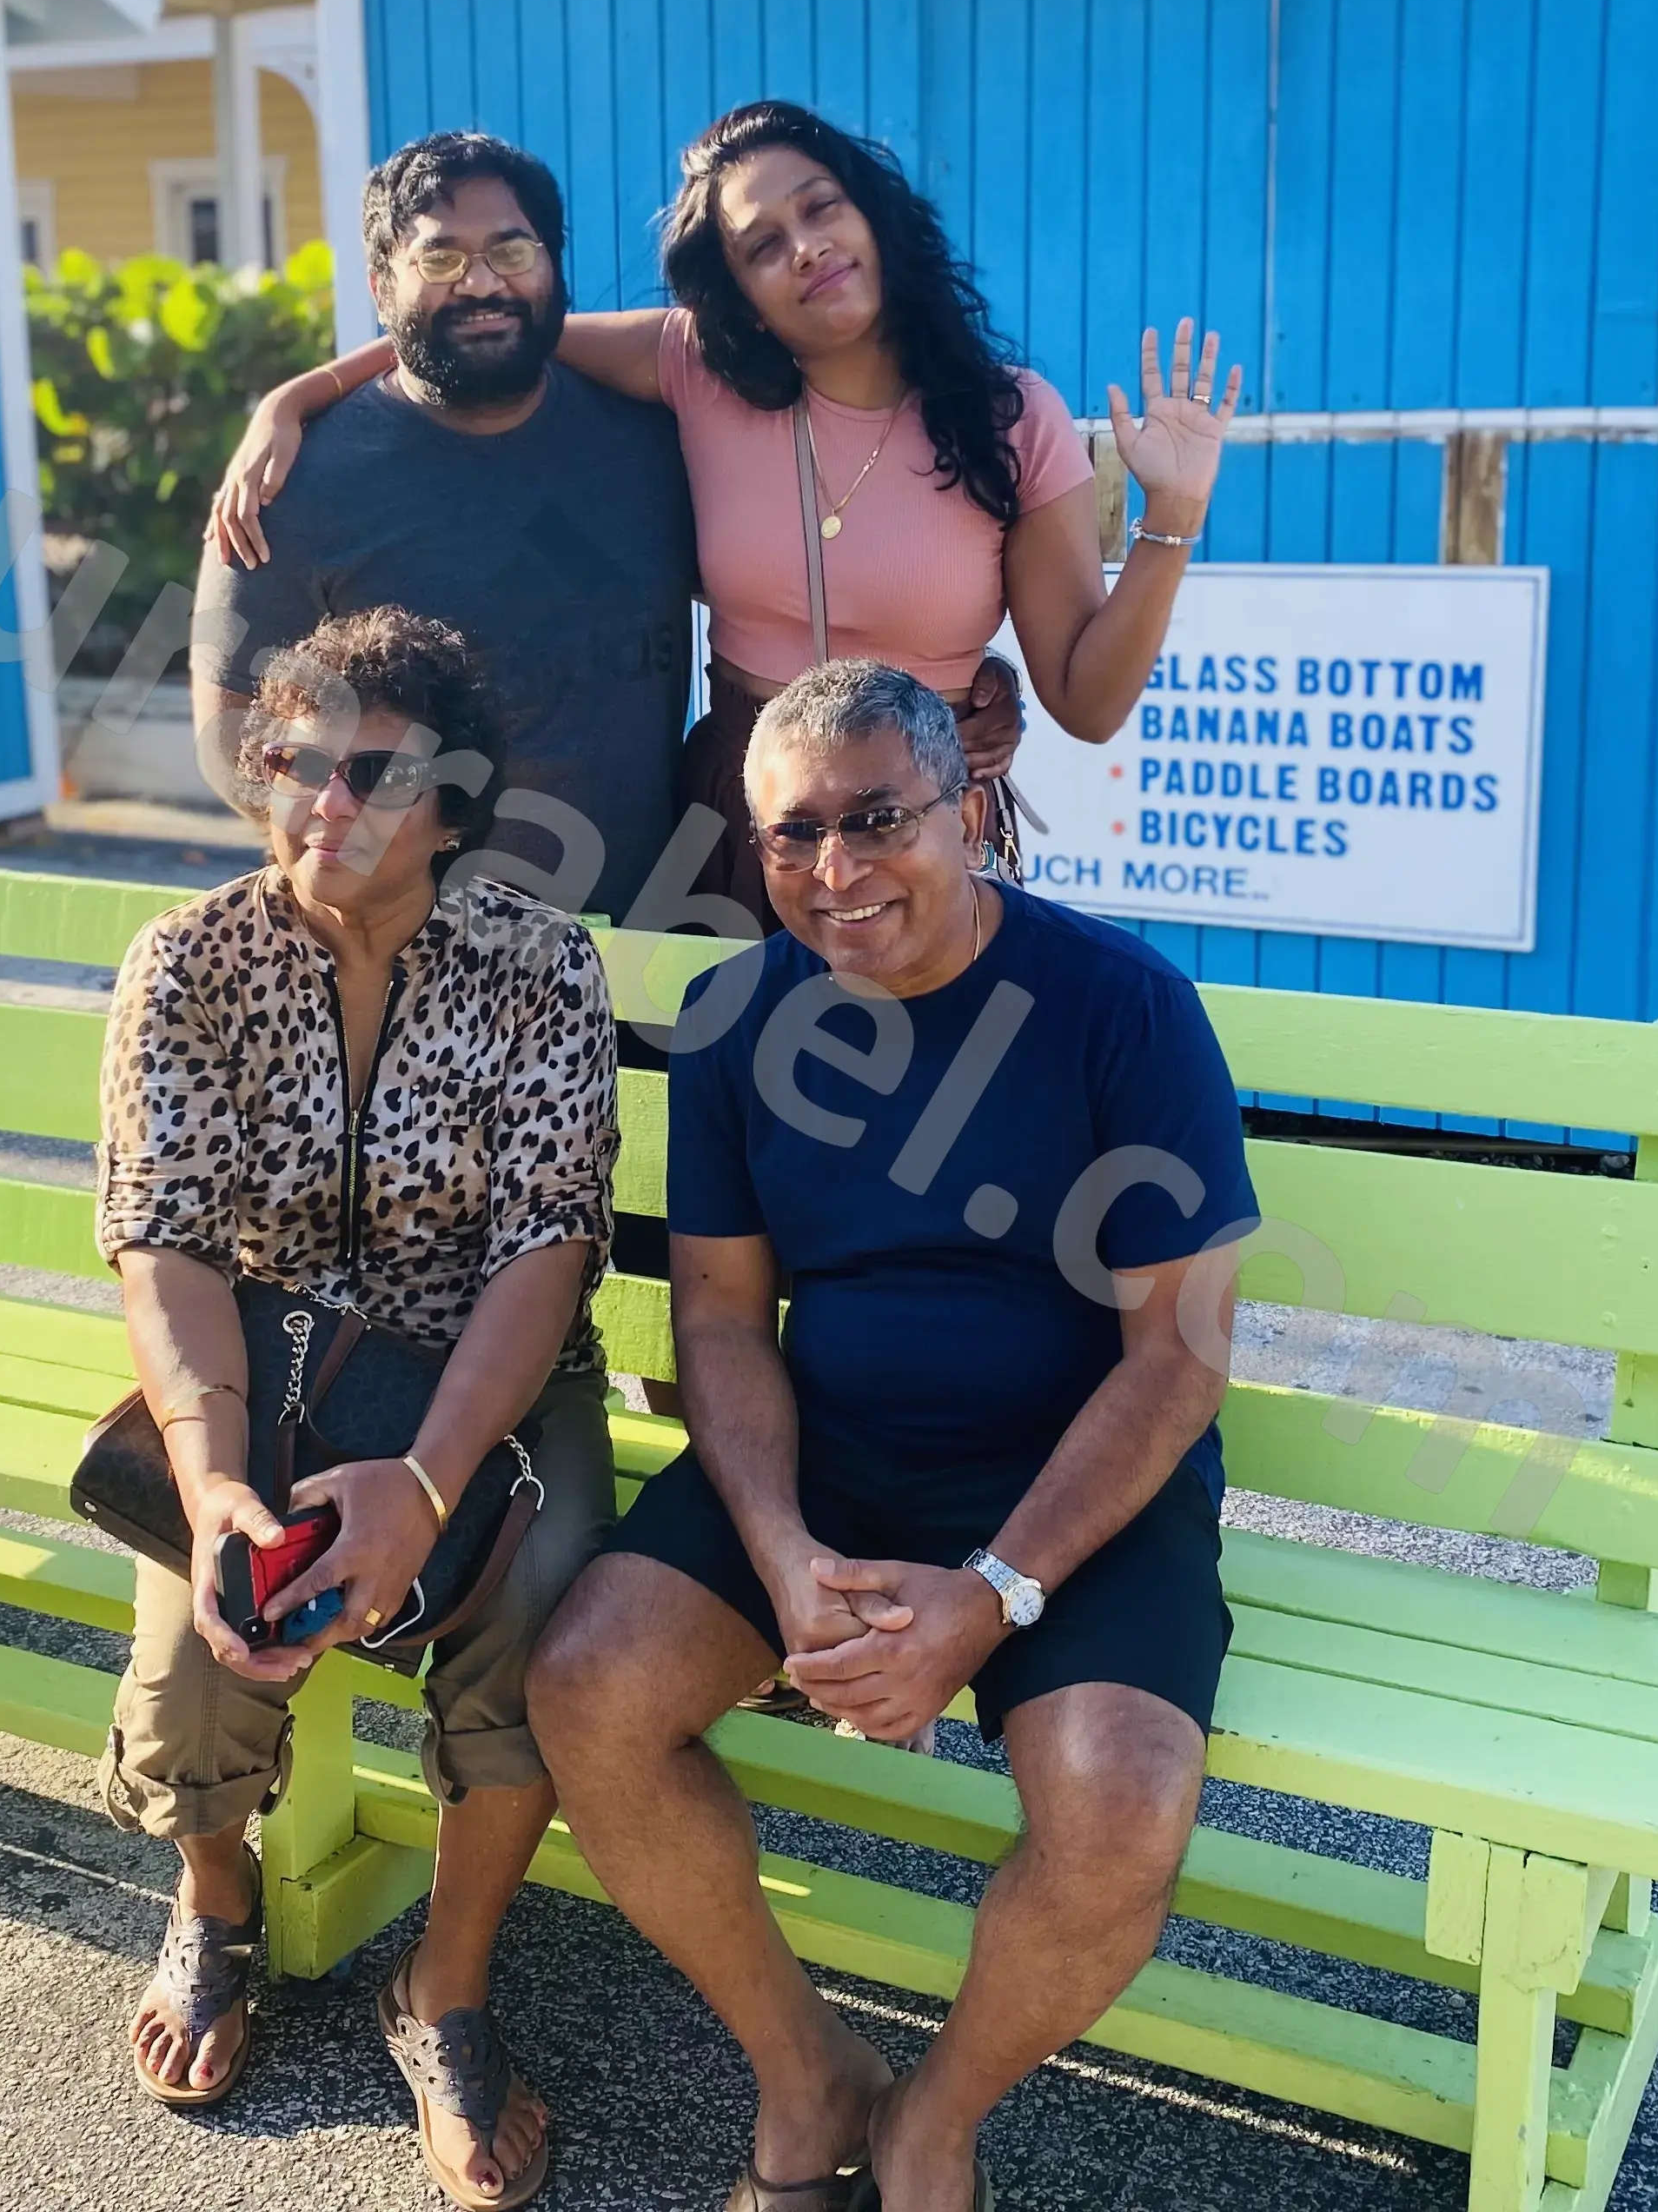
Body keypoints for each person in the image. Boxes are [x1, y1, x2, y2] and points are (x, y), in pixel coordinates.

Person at [521, 660, 1260, 2212]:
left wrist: (990, 1592)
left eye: (877, 820)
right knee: (590, 1683)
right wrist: (785, 1554)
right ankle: (808, 2076)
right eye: (792, 836)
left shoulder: (1121, 1010)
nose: (835, 871)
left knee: (1119, 1797)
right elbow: (720, 1321)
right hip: (834, 1458)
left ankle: (933, 2117)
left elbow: (1176, 1358)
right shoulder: (735, 1019)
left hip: (1079, 1484)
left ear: (969, 807)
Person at [210, 99, 1239, 920]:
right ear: (734, 290)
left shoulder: (1015, 418)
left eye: (822, 206)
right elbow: (493, 322)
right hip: (734, 820)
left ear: (873, 214)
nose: (805, 248)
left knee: (918, 1113)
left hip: (924, 814)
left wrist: (1174, 516)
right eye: (761, 243)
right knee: (734, 1128)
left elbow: (1089, 700)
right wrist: (296, 395)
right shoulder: (696, 368)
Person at [99, 605, 620, 2210]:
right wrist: (208, 1487)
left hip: (493, 1388)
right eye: (293, 763)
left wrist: (427, 1476)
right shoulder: (188, 961)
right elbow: (165, 1236)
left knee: (537, 1635)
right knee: (198, 1642)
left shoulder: (543, 966)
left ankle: (442, 1988)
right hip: (252, 1373)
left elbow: (550, 1247)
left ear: (453, 801)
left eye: (372, 770)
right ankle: (216, 1901)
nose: (322, 801)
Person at [194, 130, 697, 925]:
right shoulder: (294, 484)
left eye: (511, 250)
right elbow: (232, 740)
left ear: (553, 265)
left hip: (648, 938)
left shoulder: (653, 441)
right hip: (407, 967)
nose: (481, 283)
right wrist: (383, 866)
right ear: (380, 285)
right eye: (439, 260)